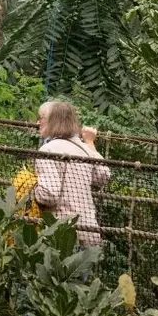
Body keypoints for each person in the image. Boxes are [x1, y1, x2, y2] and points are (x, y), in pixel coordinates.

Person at [31, 100, 110, 245]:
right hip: (89, 230)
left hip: (62, 234)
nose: (37, 122)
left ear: (52, 121)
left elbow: (49, 195)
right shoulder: (85, 148)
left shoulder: (48, 150)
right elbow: (103, 176)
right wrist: (90, 143)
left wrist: (30, 188)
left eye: (41, 118)